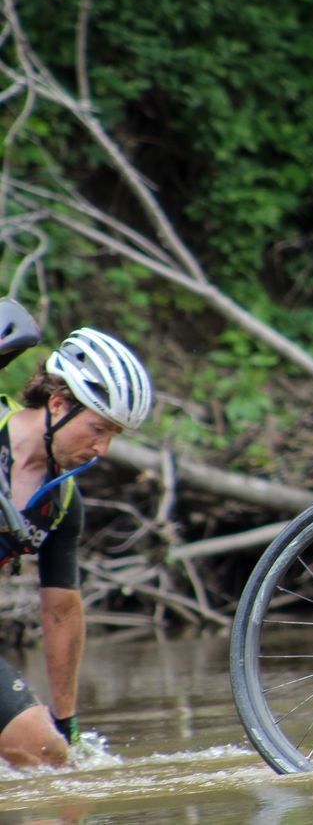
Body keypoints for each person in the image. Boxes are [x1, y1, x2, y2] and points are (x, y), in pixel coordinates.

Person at [0, 328, 153, 768]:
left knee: (51, 759)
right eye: (98, 428)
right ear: (58, 404)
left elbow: (61, 611)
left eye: (113, 436)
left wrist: (64, 721)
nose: (101, 449)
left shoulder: (63, 503)